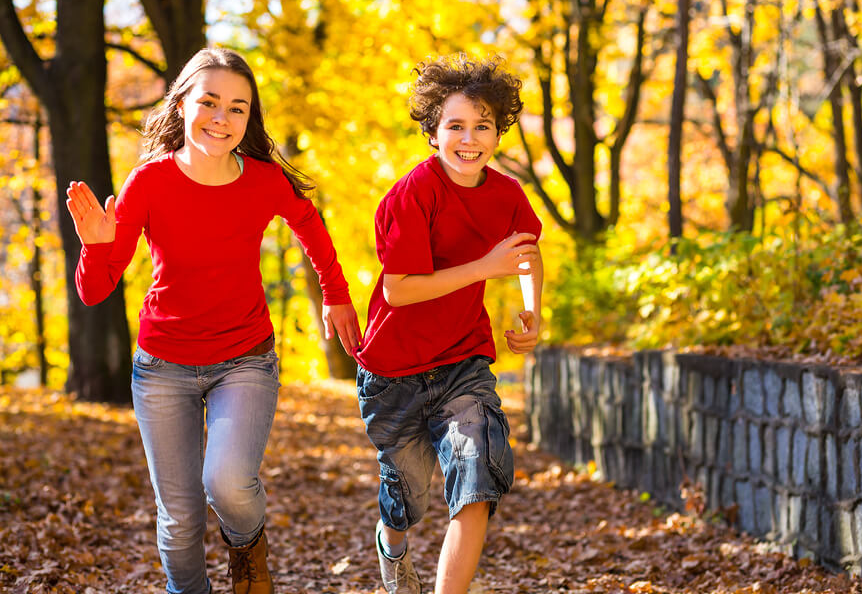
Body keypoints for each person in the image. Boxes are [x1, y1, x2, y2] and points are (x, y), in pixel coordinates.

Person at [65, 47, 361, 594]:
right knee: (179, 523)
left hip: (244, 359)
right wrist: (95, 247)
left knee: (226, 482)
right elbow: (94, 290)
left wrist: (336, 295)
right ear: (181, 105)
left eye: (237, 108)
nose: (222, 118)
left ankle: (248, 551)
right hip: (162, 370)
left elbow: (310, 224)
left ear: (250, 119)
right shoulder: (148, 182)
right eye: (209, 102)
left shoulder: (264, 180)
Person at [354, 53, 543, 594]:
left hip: (463, 361)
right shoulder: (414, 193)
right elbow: (400, 289)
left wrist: (533, 309)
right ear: (433, 132)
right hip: (394, 371)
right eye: (455, 125)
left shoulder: (507, 195)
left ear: (499, 132)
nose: (469, 137)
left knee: (478, 476)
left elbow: (527, 253)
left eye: (482, 125)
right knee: (407, 496)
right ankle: (392, 546)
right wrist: (485, 269)